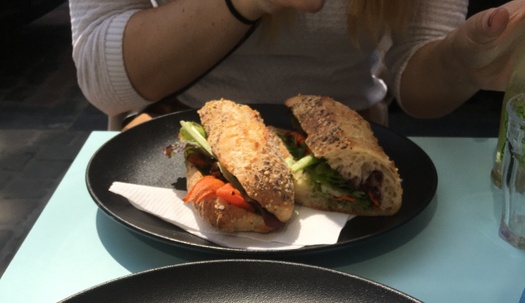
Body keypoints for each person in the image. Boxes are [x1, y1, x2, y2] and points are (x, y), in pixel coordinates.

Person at [67, 0, 525, 127]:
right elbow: (101, 79)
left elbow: (414, 76)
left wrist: (464, 62)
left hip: (353, 141)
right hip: (177, 133)